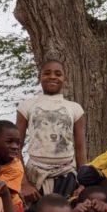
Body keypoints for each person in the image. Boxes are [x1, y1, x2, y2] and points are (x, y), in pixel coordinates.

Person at [17, 59, 86, 203]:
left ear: (64, 79)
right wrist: (24, 183)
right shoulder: (27, 106)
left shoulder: (74, 108)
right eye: (47, 73)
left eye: (58, 74)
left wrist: (83, 181)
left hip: (67, 175)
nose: (52, 77)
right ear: (39, 77)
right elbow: (16, 146)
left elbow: (80, 147)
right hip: (35, 175)